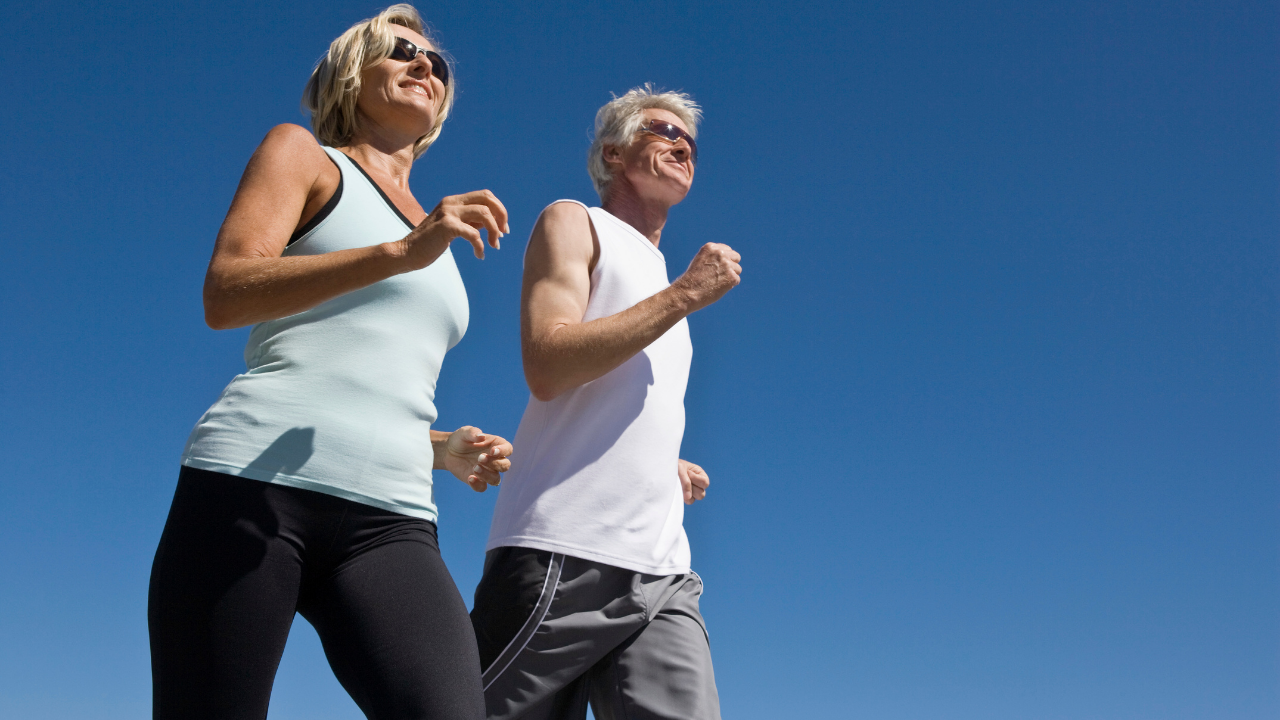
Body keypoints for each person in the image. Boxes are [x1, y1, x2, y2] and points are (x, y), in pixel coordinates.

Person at [148, 6, 512, 719]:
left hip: (393, 517)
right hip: (251, 486)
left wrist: (438, 447)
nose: (424, 67)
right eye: (400, 52)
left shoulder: (435, 227)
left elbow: (365, 369)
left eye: (436, 64)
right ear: (353, 72)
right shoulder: (306, 157)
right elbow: (225, 293)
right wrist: (400, 254)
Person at [470, 85, 739, 720]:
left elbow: (618, 400)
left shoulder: (667, 282)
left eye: (690, 141)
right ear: (612, 154)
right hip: (563, 551)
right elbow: (549, 362)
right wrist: (683, 296)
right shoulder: (574, 221)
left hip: (662, 568)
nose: (681, 145)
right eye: (662, 131)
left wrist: (660, 464)